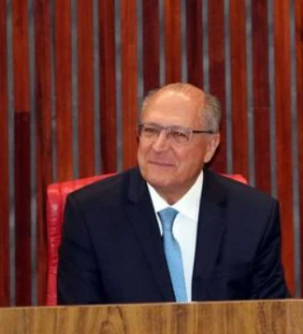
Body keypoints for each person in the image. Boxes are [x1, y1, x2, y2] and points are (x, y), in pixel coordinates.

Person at [59, 83, 288, 304]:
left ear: (210, 146)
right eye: (151, 130)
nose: (158, 146)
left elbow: (270, 318)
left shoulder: (253, 215)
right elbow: (81, 321)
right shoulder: (91, 214)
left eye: (178, 134)